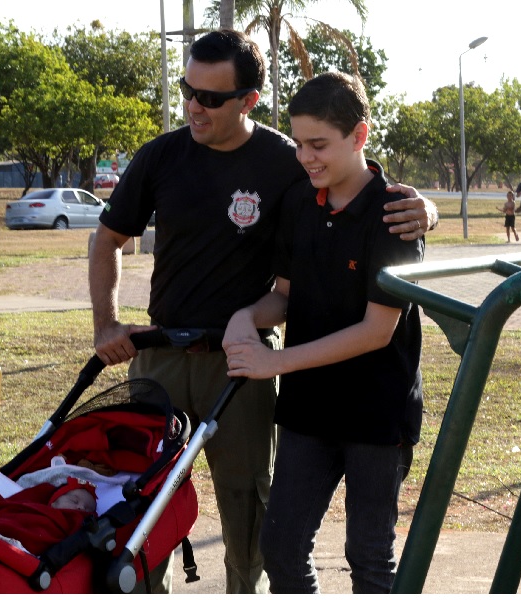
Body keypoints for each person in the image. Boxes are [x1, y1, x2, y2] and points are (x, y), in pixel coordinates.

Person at [88, 29, 438, 594]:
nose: (194, 107)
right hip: (177, 360)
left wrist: (427, 209)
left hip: (266, 377)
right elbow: (107, 240)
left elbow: (366, 187)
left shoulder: (289, 165)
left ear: (249, 100)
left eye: (212, 97)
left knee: (264, 518)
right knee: (142, 504)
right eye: (188, 92)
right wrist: (109, 322)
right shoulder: (175, 158)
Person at [222, 71, 423, 594]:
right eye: (299, 144)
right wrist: (247, 316)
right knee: (282, 548)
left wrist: (273, 363)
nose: (307, 158)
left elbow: (376, 332)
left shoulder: (396, 213)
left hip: (376, 413)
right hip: (309, 410)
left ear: (359, 136)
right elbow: (283, 296)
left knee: (369, 557)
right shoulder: (298, 203)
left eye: (319, 145)